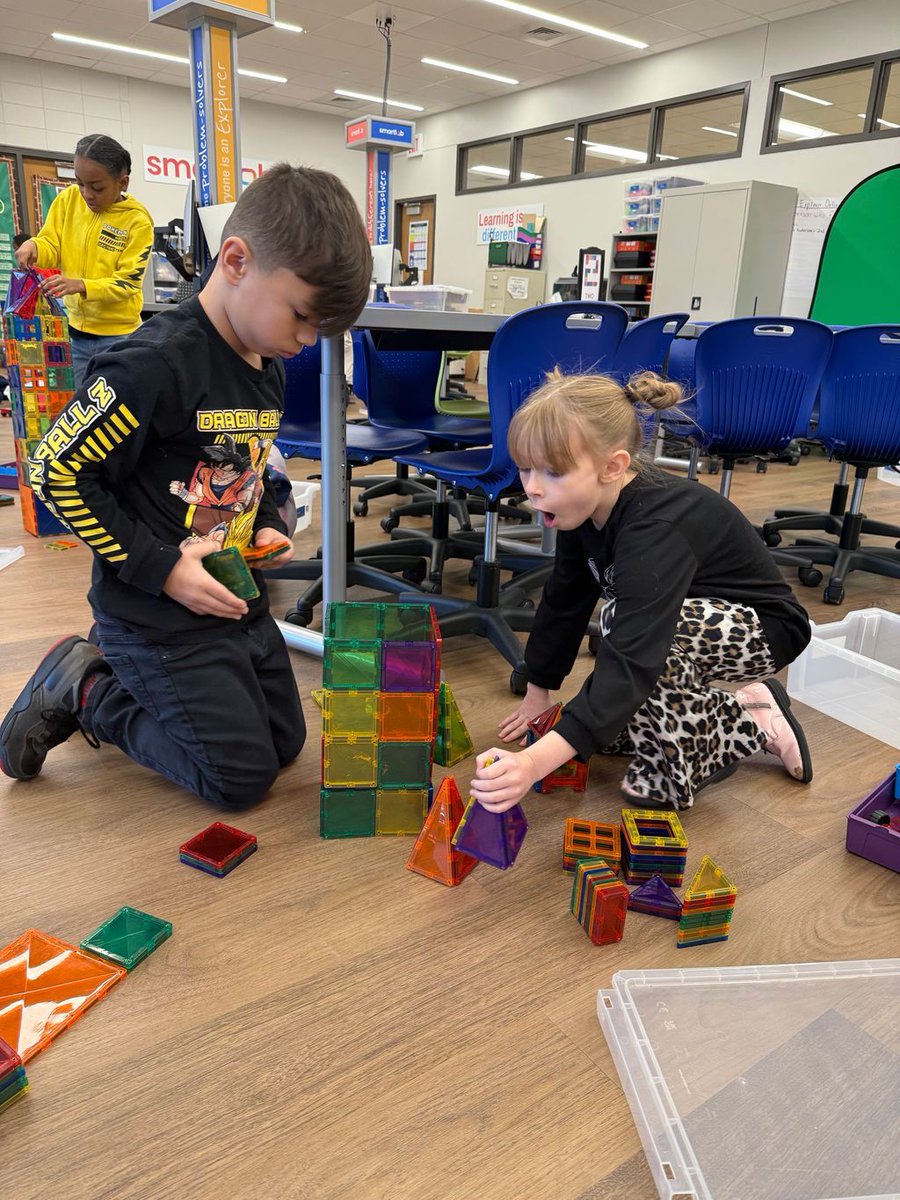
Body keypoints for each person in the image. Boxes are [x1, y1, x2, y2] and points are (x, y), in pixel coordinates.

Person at [0, 163, 372, 811]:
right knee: (239, 779)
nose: (308, 341)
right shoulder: (153, 365)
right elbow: (56, 470)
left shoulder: (266, 358)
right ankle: (90, 688)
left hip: (231, 597)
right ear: (235, 260)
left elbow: (243, 465)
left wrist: (266, 521)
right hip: (153, 614)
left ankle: (143, 682)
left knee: (285, 743)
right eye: (304, 317)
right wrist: (164, 571)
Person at [469, 368, 814, 816]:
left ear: (612, 467)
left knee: (627, 657)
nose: (532, 487)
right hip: (683, 619)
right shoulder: (582, 504)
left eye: (552, 472)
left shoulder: (655, 526)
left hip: (765, 629)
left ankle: (748, 720)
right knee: (606, 734)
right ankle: (744, 704)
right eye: (526, 467)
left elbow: (636, 649)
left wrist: (533, 762)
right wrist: (539, 693)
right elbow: (564, 598)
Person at [13, 134, 153, 387]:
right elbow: (51, 242)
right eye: (79, 183)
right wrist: (34, 245)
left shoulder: (137, 222)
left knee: (117, 409)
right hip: (75, 334)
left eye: (97, 187)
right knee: (80, 409)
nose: (87, 194)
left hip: (118, 337)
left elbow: (128, 284)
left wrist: (82, 285)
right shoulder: (68, 201)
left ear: (122, 183)